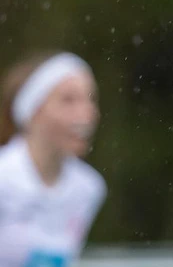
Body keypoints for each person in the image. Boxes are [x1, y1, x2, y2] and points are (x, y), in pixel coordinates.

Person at [0, 51, 105, 267]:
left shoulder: (89, 188)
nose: (87, 114)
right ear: (32, 110)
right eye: (68, 100)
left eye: (91, 99)